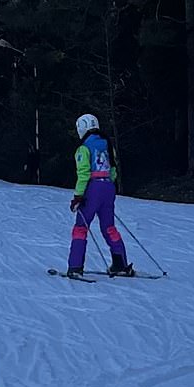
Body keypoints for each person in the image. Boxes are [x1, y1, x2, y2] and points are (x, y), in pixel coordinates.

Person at [66, 113, 134, 277]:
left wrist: (78, 196)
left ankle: (75, 267)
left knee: (81, 228)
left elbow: (83, 174)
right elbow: (113, 170)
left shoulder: (83, 148)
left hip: (92, 189)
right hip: (108, 188)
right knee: (109, 227)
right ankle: (121, 264)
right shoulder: (107, 145)